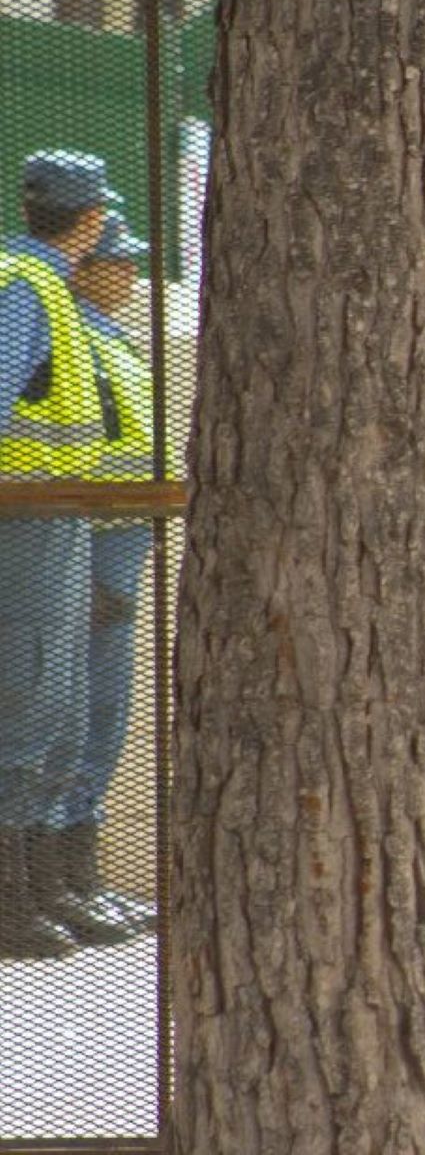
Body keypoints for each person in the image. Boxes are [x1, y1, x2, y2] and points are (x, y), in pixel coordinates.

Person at [0, 151, 118, 959]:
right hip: (27, 513)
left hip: (58, 513)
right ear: (88, 221)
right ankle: (14, 903)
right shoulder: (27, 285)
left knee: (63, 705)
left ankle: (45, 887)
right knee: (32, 701)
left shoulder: (42, 285)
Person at [44, 211, 158, 943]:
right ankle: (52, 883)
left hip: (120, 539)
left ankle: (81, 878)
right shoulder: (71, 332)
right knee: (66, 719)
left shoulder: (107, 335)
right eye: (119, 260)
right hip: (85, 542)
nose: (132, 273)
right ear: (85, 266)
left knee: (102, 719)